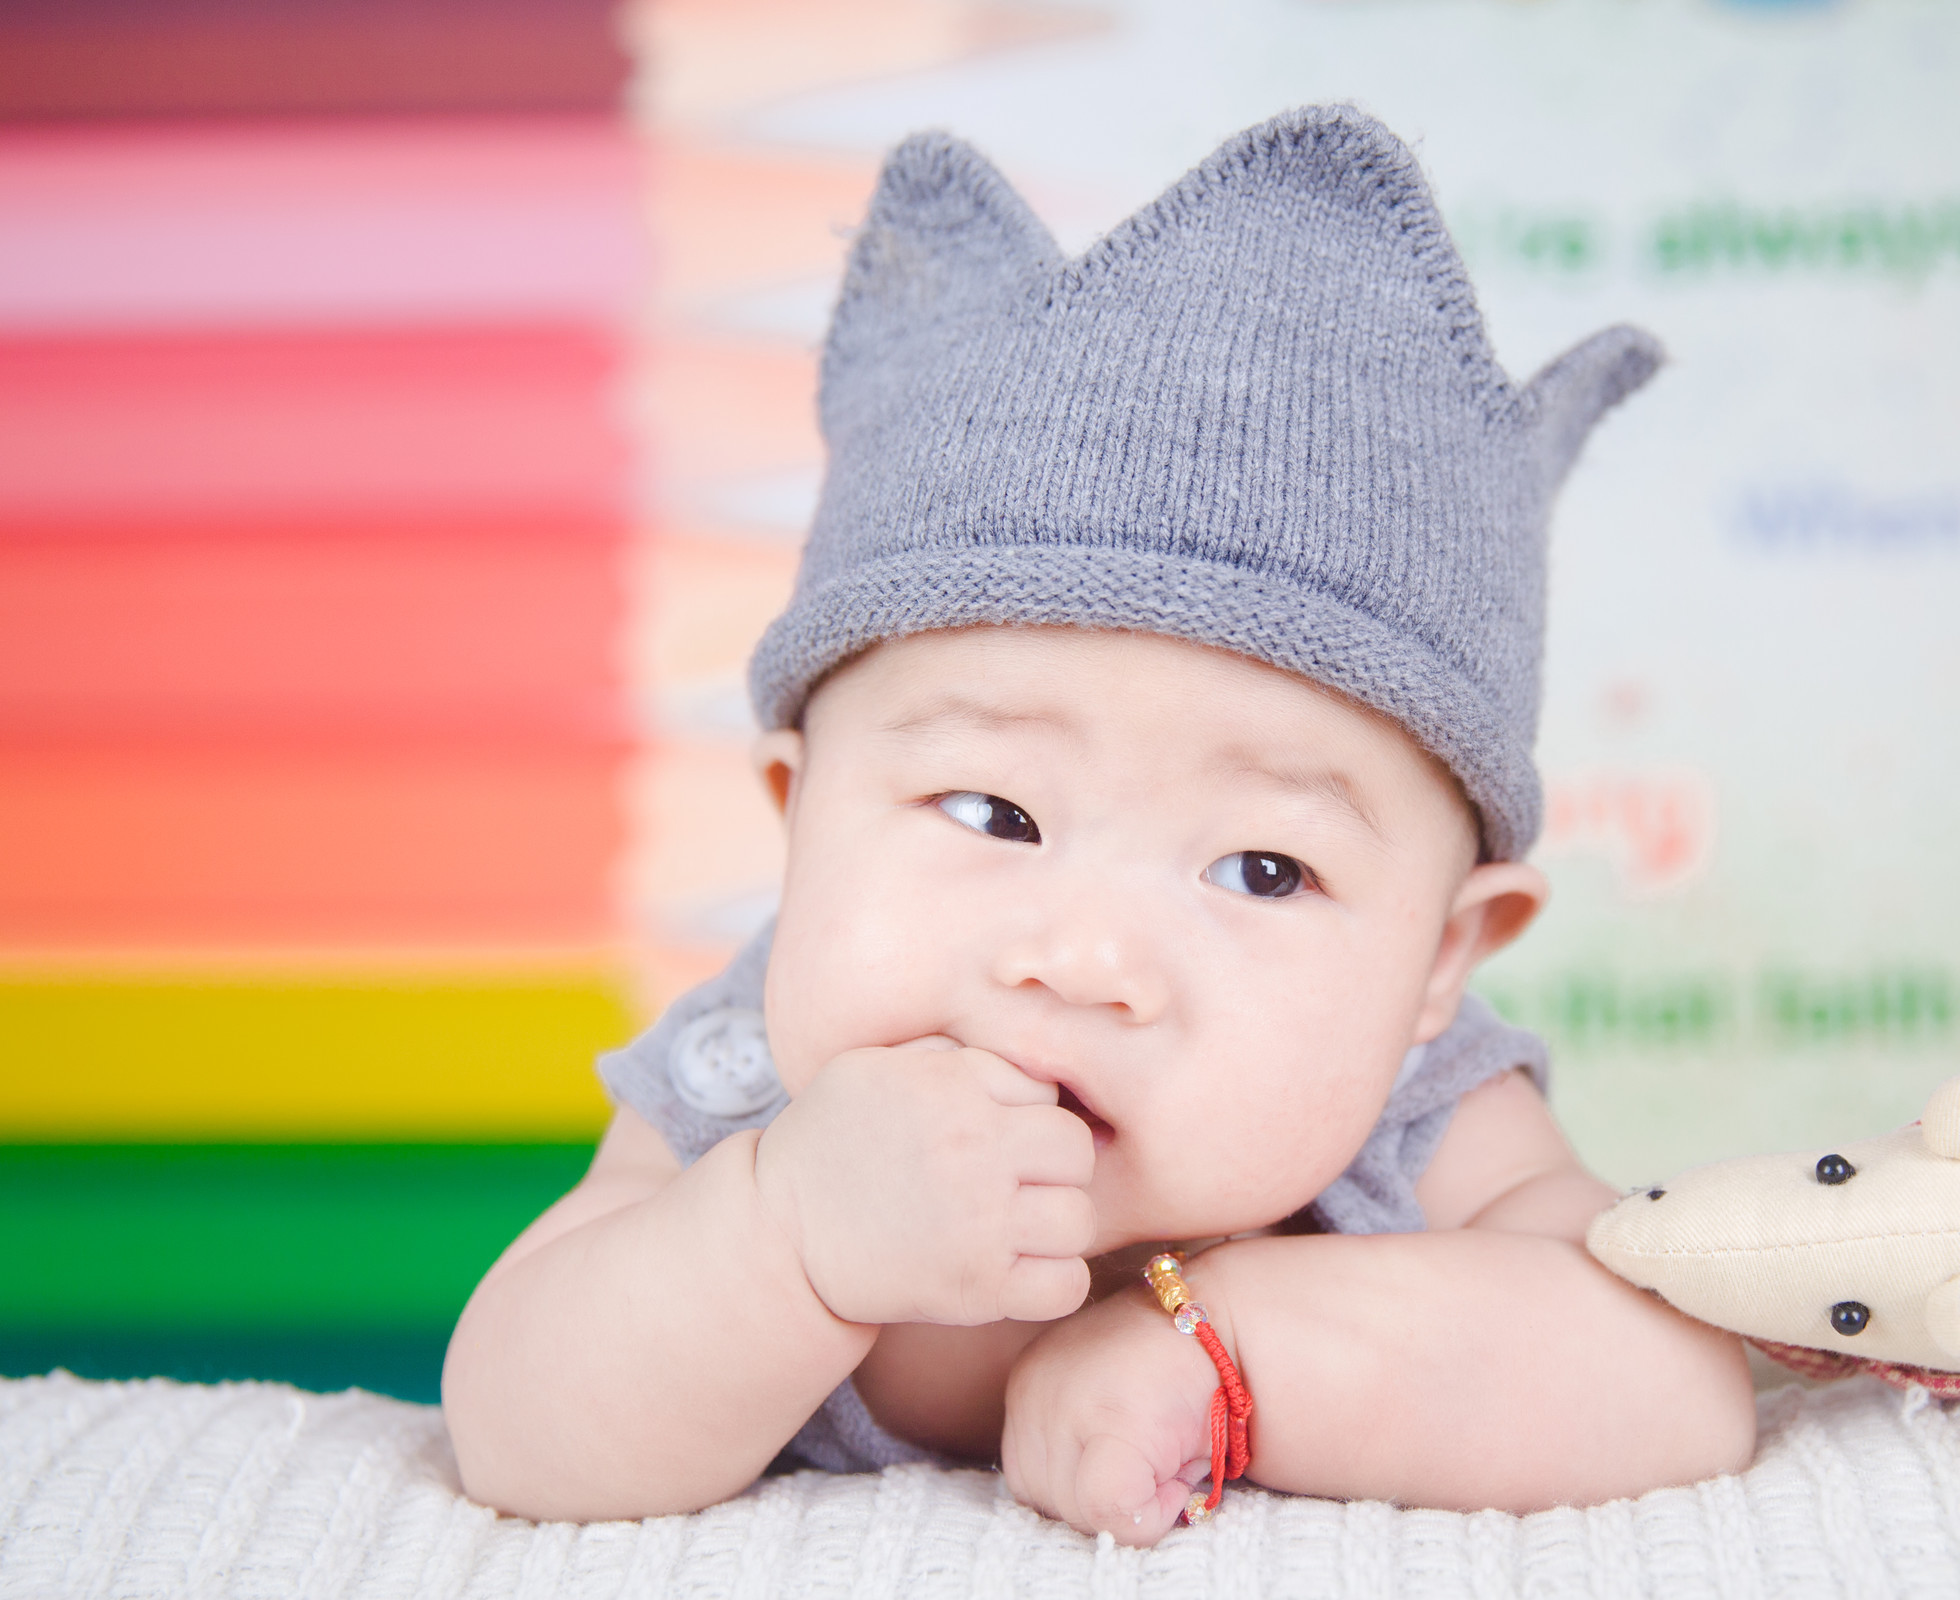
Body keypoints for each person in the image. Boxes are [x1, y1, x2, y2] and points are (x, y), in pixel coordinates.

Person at [440, 104, 1756, 1542]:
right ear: (798, 812)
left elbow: (1675, 1372)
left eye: (1265, 868)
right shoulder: (759, 1075)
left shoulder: (1413, 1102)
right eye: (992, 811)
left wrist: (1233, 1343)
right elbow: (514, 1426)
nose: (1081, 959)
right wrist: (782, 1236)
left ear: (1440, 959)